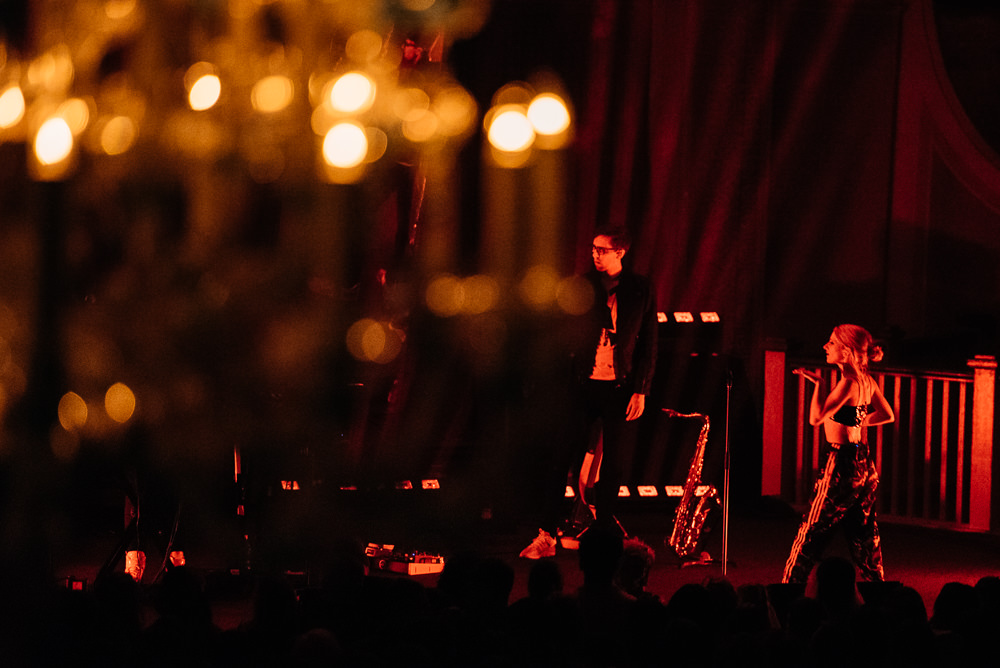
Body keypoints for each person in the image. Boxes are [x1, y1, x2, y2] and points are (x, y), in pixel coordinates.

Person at [520, 225, 658, 559]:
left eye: (602, 250)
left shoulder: (639, 288)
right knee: (560, 458)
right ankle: (546, 535)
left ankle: (604, 535)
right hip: (582, 383)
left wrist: (641, 390)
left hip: (619, 385)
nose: (595, 255)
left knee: (613, 466)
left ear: (620, 252)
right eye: (593, 248)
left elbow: (649, 343)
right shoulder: (582, 285)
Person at [782, 324, 894, 584]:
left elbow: (815, 418)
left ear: (846, 351)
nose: (825, 346)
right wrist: (858, 421)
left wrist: (818, 385)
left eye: (832, 343)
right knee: (864, 532)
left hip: (841, 462)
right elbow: (887, 414)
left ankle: (788, 588)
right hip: (863, 463)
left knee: (812, 528)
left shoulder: (848, 383)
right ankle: (878, 589)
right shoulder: (867, 382)